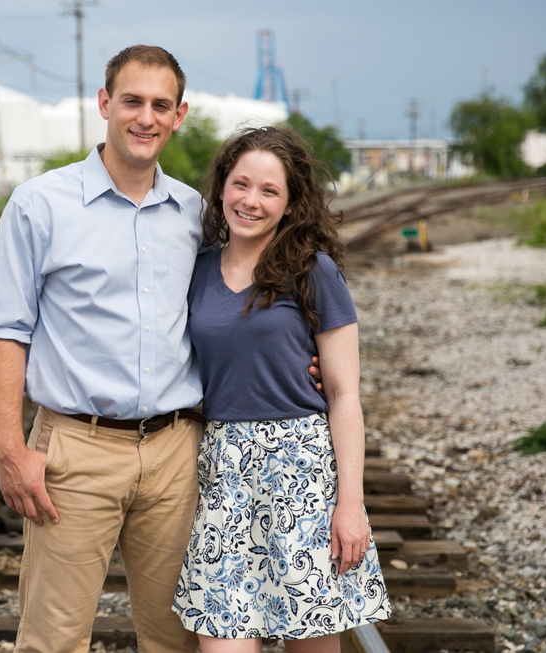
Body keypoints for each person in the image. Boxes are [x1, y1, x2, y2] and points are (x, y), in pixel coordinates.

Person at [0, 45, 322, 653]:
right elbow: (6, 330)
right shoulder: (40, 205)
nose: (146, 117)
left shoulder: (194, 211)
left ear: (180, 114)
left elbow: (237, 301)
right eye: (132, 101)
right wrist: (9, 448)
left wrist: (303, 364)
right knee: (53, 639)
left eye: (161, 105)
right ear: (105, 103)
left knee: (181, 639)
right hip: (75, 454)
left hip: (176, 454)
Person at [172, 127, 392, 652]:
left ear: (292, 205)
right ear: (222, 188)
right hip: (224, 470)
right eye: (240, 184)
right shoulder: (197, 269)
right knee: (222, 640)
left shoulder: (314, 272)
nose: (251, 200)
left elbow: (343, 395)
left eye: (269, 191)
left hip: (302, 472)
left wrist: (351, 506)